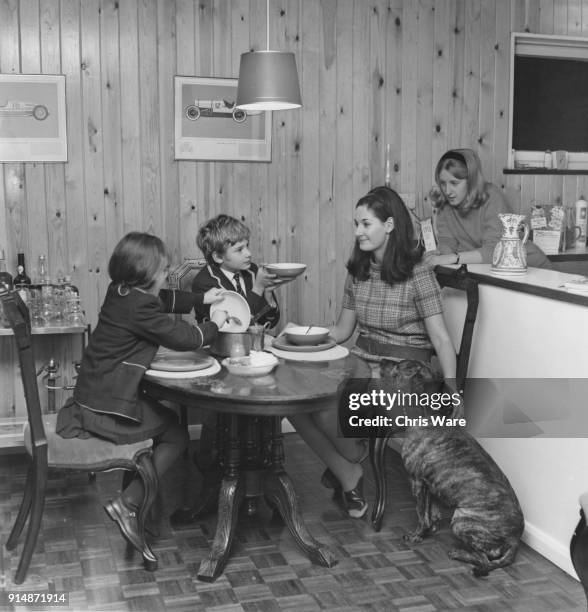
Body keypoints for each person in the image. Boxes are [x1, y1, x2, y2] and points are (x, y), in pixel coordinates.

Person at [288, 186, 458, 519]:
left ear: (390, 225)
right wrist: (298, 338)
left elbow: (440, 338)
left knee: (329, 403)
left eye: (366, 224)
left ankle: (347, 468)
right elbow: (341, 332)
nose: (358, 232)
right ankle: (347, 469)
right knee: (296, 401)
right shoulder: (359, 271)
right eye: (356, 224)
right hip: (362, 361)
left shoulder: (419, 272)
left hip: (406, 370)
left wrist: (453, 389)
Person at [56, 232, 228, 553]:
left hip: (92, 395)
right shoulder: (140, 309)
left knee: (168, 426)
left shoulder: (120, 293)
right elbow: (187, 338)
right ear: (145, 275)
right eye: (163, 271)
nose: (167, 274)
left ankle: (137, 502)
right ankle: (128, 503)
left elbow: (162, 300)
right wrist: (214, 323)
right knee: (176, 436)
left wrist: (201, 300)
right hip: (107, 406)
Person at [172, 214, 283, 523]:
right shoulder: (206, 281)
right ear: (219, 255)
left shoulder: (251, 274)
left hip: (251, 354)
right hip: (219, 355)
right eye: (240, 249)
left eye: (248, 246)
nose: (248, 254)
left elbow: (268, 321)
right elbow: (233, 321)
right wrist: (259, 292)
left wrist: (269, 297)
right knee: (221, 407)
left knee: (265, 397)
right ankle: (210, 464)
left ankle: (257, 467)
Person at [425, 148, 551, 268]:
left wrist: (453, 258)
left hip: (530, 267)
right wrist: (439, 256)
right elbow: (447, 241)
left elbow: (495, 251)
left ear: (471, 181)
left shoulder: (492, 197)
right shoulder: (444, 201)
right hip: (489, 270)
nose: (447, 191)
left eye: (454, 183)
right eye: (442, 183)